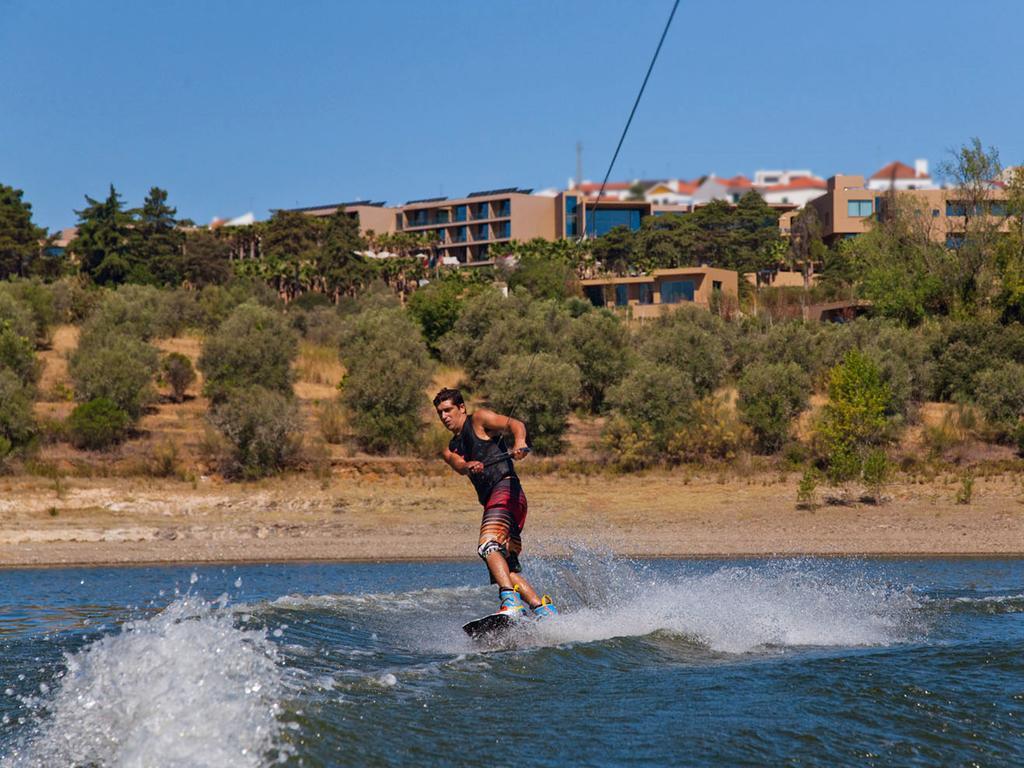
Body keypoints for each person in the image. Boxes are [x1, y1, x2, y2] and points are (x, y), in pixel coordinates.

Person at [433, 387, 558, 620]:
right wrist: (468, 464)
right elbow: (458, 464)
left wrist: (520, 442)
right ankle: (543, 610)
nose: (444, 417)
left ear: (462, 408)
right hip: (502, 501)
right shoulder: (450, 448)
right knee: (504, 567)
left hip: (506, 489)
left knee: (488, 546)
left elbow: (516, 424)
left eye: (448, 410)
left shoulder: (479, 420)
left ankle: (510, 602)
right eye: (440, 413)